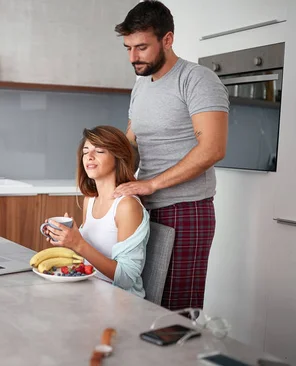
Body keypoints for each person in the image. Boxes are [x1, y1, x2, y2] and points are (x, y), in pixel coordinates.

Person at [112, 1, 229, 310]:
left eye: (141, 47)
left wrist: (151, 185)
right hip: (146, 208)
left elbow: (213, 149)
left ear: (167, 39)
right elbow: (131, 146)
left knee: (173, 316)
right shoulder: (141, 86)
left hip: (186, 210)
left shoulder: (197, 80)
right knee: (142, 304)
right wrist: (102, 173)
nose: (133, 57)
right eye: (128, 48)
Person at [43, 126, 150, 297]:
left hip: (120, 302)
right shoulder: (90, 200)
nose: (89, 156)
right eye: (86, 151)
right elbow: (89, 258)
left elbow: (127, 278)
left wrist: (78, 244)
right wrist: (69, 240)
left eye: (99, 150)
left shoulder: (127, 206)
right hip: (89, 291)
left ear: (118, 157)